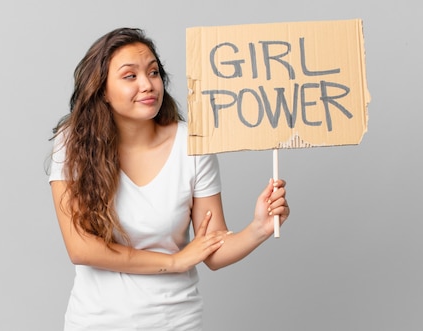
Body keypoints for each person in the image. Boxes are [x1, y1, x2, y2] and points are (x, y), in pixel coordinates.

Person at [48, 27, 290, 331]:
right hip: (95, 323)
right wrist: (175, 261)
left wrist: (258, 229)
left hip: (175, 322)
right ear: (102, 90)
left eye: (153, 72)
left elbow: (212, 249)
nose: (148, 85)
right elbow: (81, 248)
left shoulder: (193, 145)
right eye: (130, 76)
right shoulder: (72, 143)